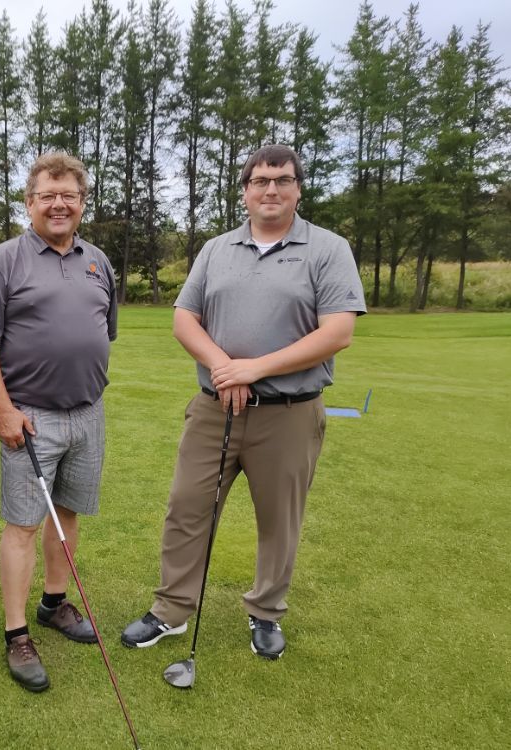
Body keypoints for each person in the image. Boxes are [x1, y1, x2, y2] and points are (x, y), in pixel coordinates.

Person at [121, 144, 366, 660]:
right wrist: (223, 366)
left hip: (289, 414)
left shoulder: (327, 248)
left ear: (298, 189)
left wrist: (254, 369)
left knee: (279, 520)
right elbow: (185, 319)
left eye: (282, 180)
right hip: (215, 410)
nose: (270, 189)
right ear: (245, 192)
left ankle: (266, 611)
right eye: (260, 181)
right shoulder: (216, 249)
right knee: (187, 509)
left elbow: (337, 332)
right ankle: (171, 610)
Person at [0, 152, 118, 692]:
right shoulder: (5, 260)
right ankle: (17, 634)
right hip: (29, 418)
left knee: (68, 512)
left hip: (88, 413)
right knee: (23, 525)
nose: (58, 204)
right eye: (47, 195)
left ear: (82, 203)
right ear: (29, 203)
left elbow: (104, 330)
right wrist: (4, 410)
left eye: (68, 195)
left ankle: (55, 603)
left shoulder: (97, 261)